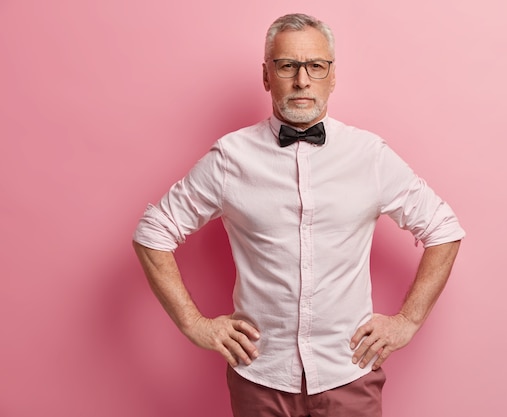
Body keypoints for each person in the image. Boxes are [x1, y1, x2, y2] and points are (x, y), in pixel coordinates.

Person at [133, 13, 465, 417]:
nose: (302, 80)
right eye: (287, 65)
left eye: (315, 66)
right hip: (260, 376)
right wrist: (194, 324)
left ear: (332, 74)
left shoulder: (369, 155)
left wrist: (408, 320)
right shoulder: (230, 157)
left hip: (349, 372)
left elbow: (443, 227)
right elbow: (154, 232)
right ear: (266, 75)